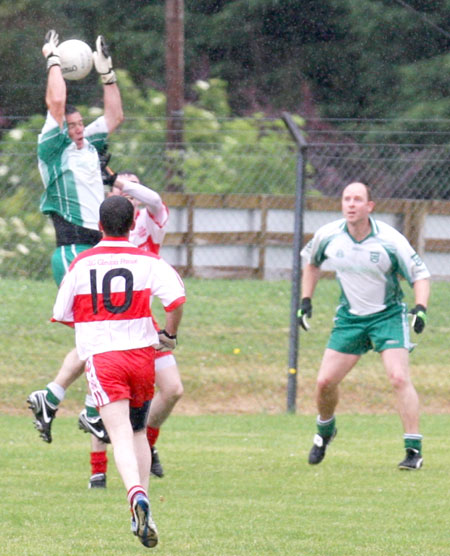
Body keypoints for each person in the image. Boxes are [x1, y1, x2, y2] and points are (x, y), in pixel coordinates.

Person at [52, 195, 186, 547]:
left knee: (120, 434)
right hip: (142, 357)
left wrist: (96, 328)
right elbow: (176, 300)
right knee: (139, 429)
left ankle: (136, 495)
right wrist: (169, 336)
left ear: (99, 226)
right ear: (131, 226)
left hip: (106, 360)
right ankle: (145, 512)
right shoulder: (147, 259)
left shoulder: (82, 262)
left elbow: (63, 312)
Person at [27, 29, 123, 442]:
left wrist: (107, 74)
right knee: (105, 330)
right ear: (60, 129)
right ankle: (88, 409)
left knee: (107, 330)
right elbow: (56, 102)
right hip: (72, 250)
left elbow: (116, 117)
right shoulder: (53, 148)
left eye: (82, 123)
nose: (80, 129)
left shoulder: (86, 147)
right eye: (73, 125)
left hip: (95, 248)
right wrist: (52, 59)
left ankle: (53, 398)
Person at [298, 182, 430, 470]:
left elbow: (420, 275)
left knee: (398, 377)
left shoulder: (390, 240)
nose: (351, 204)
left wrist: (420, 309)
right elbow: (311, 263)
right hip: (350, 319)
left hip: (387, 316)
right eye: (347, 199)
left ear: (370, 206)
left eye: (358, 199)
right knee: (324, 383)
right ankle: (325, 430)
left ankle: (413, 450)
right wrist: (306, 300)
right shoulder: (328, 235)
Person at [78, 172, 184, 487]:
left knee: (173, 389)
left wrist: (120, 181)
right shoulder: (108, 229)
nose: (128, 195)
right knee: (105, 391)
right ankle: (98, 469)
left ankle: (146, 441)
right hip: (110, 320)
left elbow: (152, 199)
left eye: (133, 189)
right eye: (121, 191)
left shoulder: (150, 220)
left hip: (143, 320)